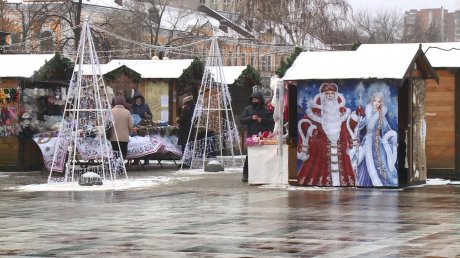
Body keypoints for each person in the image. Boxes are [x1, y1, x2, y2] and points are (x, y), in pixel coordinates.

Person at [296, 82, 358, 186]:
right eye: (327, 93)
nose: (329, 95)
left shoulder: (342, 112)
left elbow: (348, 127)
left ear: (336, 95)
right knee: (317, 170)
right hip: (320, 150)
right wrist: (311, 130)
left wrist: (355, 119)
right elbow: (304, 123)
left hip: (340, 148)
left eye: (332, 93)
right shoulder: (314, 112)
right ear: (322, 96)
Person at [355, 88, 398, 187]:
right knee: (363, 160)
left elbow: (386, 128)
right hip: (367, 140)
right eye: (375, 100)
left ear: (381, 102)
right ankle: (364, 182)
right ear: (371, 100)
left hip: (377, 142)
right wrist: (356, 121)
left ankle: (381, 181)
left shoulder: (381, 116)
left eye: (379, 101)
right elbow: (361, 124)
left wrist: (393, 140)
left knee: (381, 160)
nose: (376, 103)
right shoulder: (368, 113)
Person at [240, 91, 274, 182]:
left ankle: (262, 174)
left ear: (260, 100)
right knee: (250, 155)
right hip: (252, 136)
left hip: (264, 136)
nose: (254, 101)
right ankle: (246, 174)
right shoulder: (248, 109)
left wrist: (261, 120)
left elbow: (271, 121)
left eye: (256, 99)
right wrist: (251, 118)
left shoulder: (266, 109)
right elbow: (242, 120)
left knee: (263, 155)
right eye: (253, 99)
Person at [131, 91, 152, 166]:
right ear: (135, 100)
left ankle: (147, 160)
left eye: (140, 99)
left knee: (146, 143)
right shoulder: (132, 107)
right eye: (137, 99)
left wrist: (147, 116)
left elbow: (150, 116)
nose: (138, 101)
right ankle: (136, 160)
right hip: (135, 127)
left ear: (142, 100)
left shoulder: (145, 106)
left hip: (144, 128)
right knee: (136, 144)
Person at [110, 95, 134, 160]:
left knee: (115, 153)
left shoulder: (111, 111)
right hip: (124, 137)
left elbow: (106, 124)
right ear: (123, 102)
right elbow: (130, 126)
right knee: (123, 153)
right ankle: (121, 167)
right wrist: (129, 132)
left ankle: (116, 167)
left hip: (113, 137)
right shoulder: (127, 112)